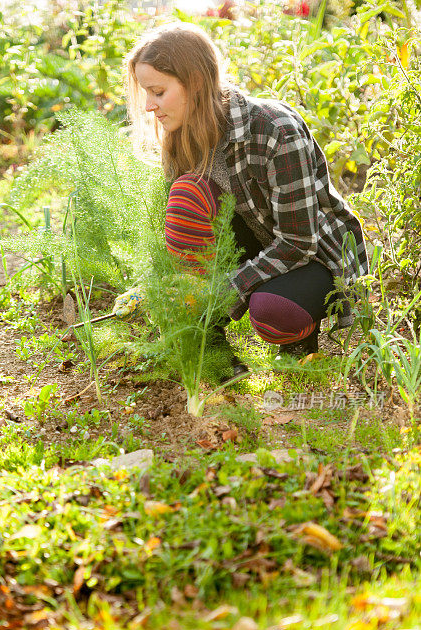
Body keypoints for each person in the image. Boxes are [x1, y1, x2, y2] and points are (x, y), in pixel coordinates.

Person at [115, 21, 368, 373]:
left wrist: (223, 289)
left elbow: (298, 242)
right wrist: (159, 288)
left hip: (315, 255)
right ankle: (212, 349)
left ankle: (298, 337)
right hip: (256, 246)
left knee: (272, 311)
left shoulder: (274, 129)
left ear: (196, 83)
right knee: (187, 196)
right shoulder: (181, 137)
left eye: (158, 92)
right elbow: (182, 238)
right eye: (146, 93)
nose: (148, 106)